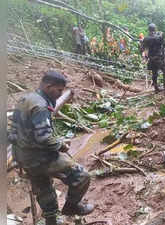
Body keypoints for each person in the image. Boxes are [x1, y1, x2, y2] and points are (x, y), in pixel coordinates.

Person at [8, 71, 94, 225]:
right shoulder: (40, 106)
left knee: (43, 186)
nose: (61, 93)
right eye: (59, 90)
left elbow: (12, 133)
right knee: (82, 176)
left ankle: (52, 219)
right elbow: (44, 138)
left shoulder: (25, 98)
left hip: (22, 155)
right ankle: (72, 206)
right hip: (38, 157)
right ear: (49, 86)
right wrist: (61, 145)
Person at [142, 23, 165, 92]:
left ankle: (156, 88)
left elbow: (143, 48)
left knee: (154, 74)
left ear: (149, 30)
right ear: (155, 29)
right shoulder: (159, 37)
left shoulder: (146, 38)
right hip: (159, 58)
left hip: (152, 59)